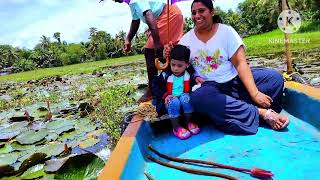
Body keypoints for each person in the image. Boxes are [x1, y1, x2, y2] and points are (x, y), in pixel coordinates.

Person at [174, 0, 289, 134]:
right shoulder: (186, 40)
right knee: (199, 98)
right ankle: (261, 113)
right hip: (209, 87)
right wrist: (171, 54)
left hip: (235, 82)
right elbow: (178, 67)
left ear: (212, 12)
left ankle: (234, 111)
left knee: (274, 78)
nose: (197, 16)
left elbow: (241, 64)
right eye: (193, 13)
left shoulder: (227, 32)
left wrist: (255, 93)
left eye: (201, 11)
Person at [112, 0, 184, 102]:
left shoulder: (135, 1)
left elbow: (149, 14)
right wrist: (128, 39)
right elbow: (135, 21)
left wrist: (157, 42)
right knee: (169, 51)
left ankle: (152, 91)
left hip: (168, 15)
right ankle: (172, 85)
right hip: (171, 14)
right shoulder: (132, 4)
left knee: (150, 51)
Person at [152, 45, 200, 140]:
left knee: (186, 99)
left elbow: (194, 83)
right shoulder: (165, 74)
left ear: (187, 65)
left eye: (179, 65)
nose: (175, 68)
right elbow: (155, 86)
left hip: (183, 96)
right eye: (173, 65)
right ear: (170, 62)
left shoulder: (189, 74)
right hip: (169, 100)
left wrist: (196, 80)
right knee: (174, 102)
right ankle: (176, 127)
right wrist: (165, 95)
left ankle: (188, 122)